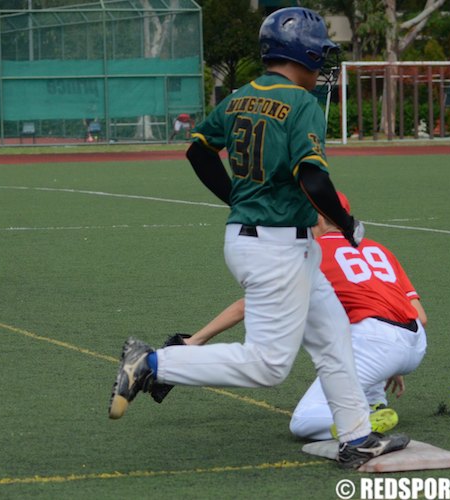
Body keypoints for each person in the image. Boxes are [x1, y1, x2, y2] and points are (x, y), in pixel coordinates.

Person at [107, 7, 409, 469]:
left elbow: (199, 152)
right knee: (268, 365)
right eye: (318, 52)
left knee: (332, 339)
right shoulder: (302, 102)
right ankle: (152, 363)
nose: (322, 62)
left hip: (267, 240)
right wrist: (347, 225)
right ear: (301, 52)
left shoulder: (239, 97)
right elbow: (312, 178)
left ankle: (357, 437)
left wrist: (237, 199)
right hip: (276, 246)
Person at [160, 192, 427, 441]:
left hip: (376, 342)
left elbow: (248, 305)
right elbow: (419, 316)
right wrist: (390, 359)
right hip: (414, 341)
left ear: (319, 217)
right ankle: (373, 399)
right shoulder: (378, 248)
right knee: (339, 324)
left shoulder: (311, 252)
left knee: (303, 421)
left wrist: (195, 341)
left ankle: (363, 421)